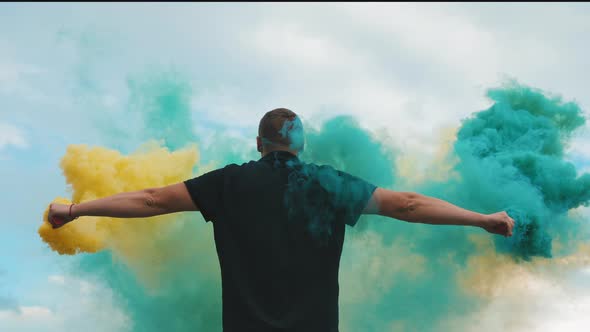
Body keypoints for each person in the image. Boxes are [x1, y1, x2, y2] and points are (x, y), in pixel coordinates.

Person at [48, 108, 515, 332]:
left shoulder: (228, 184)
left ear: (258, 144)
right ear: (302, 145)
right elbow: (408, 204)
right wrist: (481, 219)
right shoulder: (329, 185)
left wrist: (75, 210)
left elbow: (150, 200)